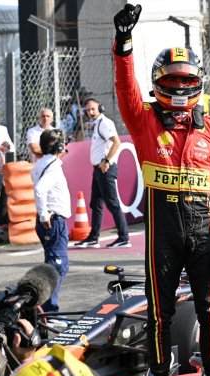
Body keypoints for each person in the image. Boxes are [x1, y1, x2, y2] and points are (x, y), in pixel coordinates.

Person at [113, 4, 210, 376]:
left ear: (198, 83)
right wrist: (124, 44)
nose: (179, 87)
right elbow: (125, 87)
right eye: (172, 80)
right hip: (162, 227)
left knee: (208, 308)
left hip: (205, 227)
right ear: (159, 83)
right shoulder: (143, 119)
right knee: (160, 312)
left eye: (186, 80)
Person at [74, 98, 130, 249]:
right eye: (88, 110)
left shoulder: (104, 123)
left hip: (105, 168)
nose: (90, 112)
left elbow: (116, 142)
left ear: (100, 108)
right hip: (98, 168)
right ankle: (94, 237)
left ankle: (123, 237)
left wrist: (106, 161)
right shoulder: (97, 124)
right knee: (96, 204)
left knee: (112, 203)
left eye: (93, 109)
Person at [31, 129, 70, 313]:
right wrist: (44, 214)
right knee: (57, 266)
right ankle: (50, 311)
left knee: (51, 265)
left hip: (49, 220)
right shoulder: (52, 167)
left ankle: (46, 309)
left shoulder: (40, 163)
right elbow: (40, 189)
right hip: (53, 220)